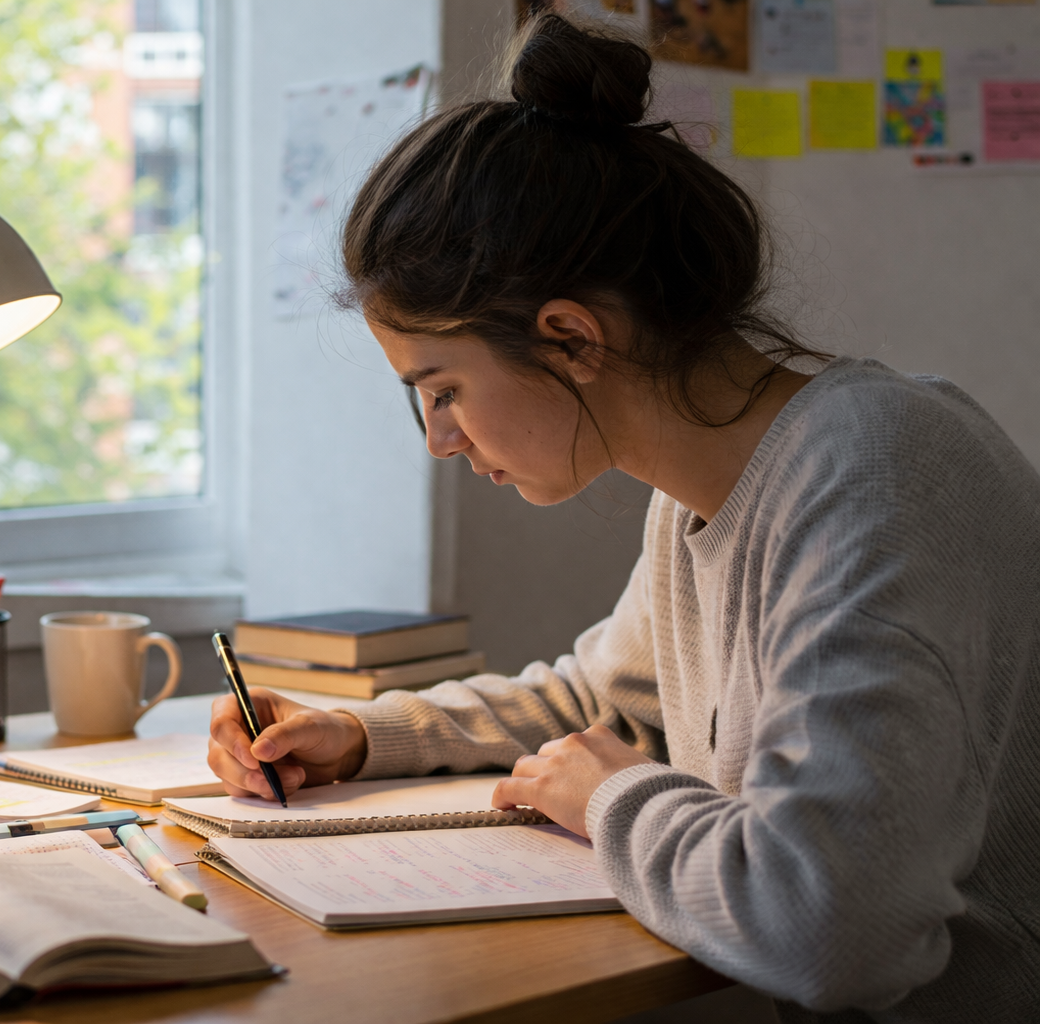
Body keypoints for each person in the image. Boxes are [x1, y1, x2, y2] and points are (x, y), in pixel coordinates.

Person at [206, 14, 1040, 1023]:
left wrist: (610, 799)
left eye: (441, 388)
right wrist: (362, 734)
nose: (438, 437)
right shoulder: (708, 483)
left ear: (567, 338)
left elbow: (831, 925)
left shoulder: (877, 477)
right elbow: (600, 703)